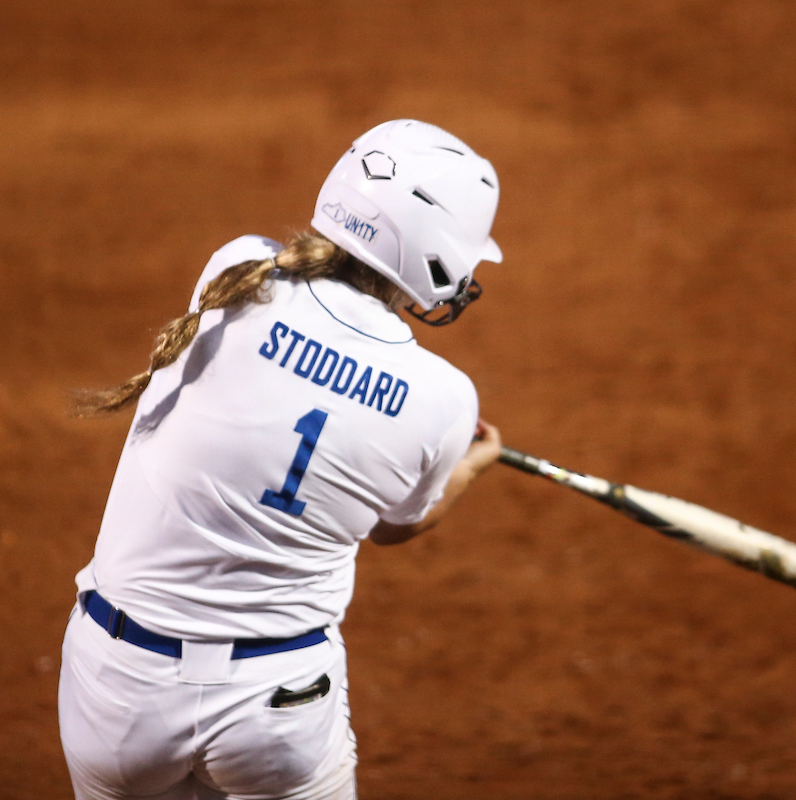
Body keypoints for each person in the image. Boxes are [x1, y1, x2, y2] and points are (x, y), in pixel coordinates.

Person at [59, 119, 504, 800]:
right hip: (275, 707)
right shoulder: (444, 399)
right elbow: (396, 526)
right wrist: (468, 467)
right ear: (437, 255)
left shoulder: (236, 270)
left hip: (115, 693)